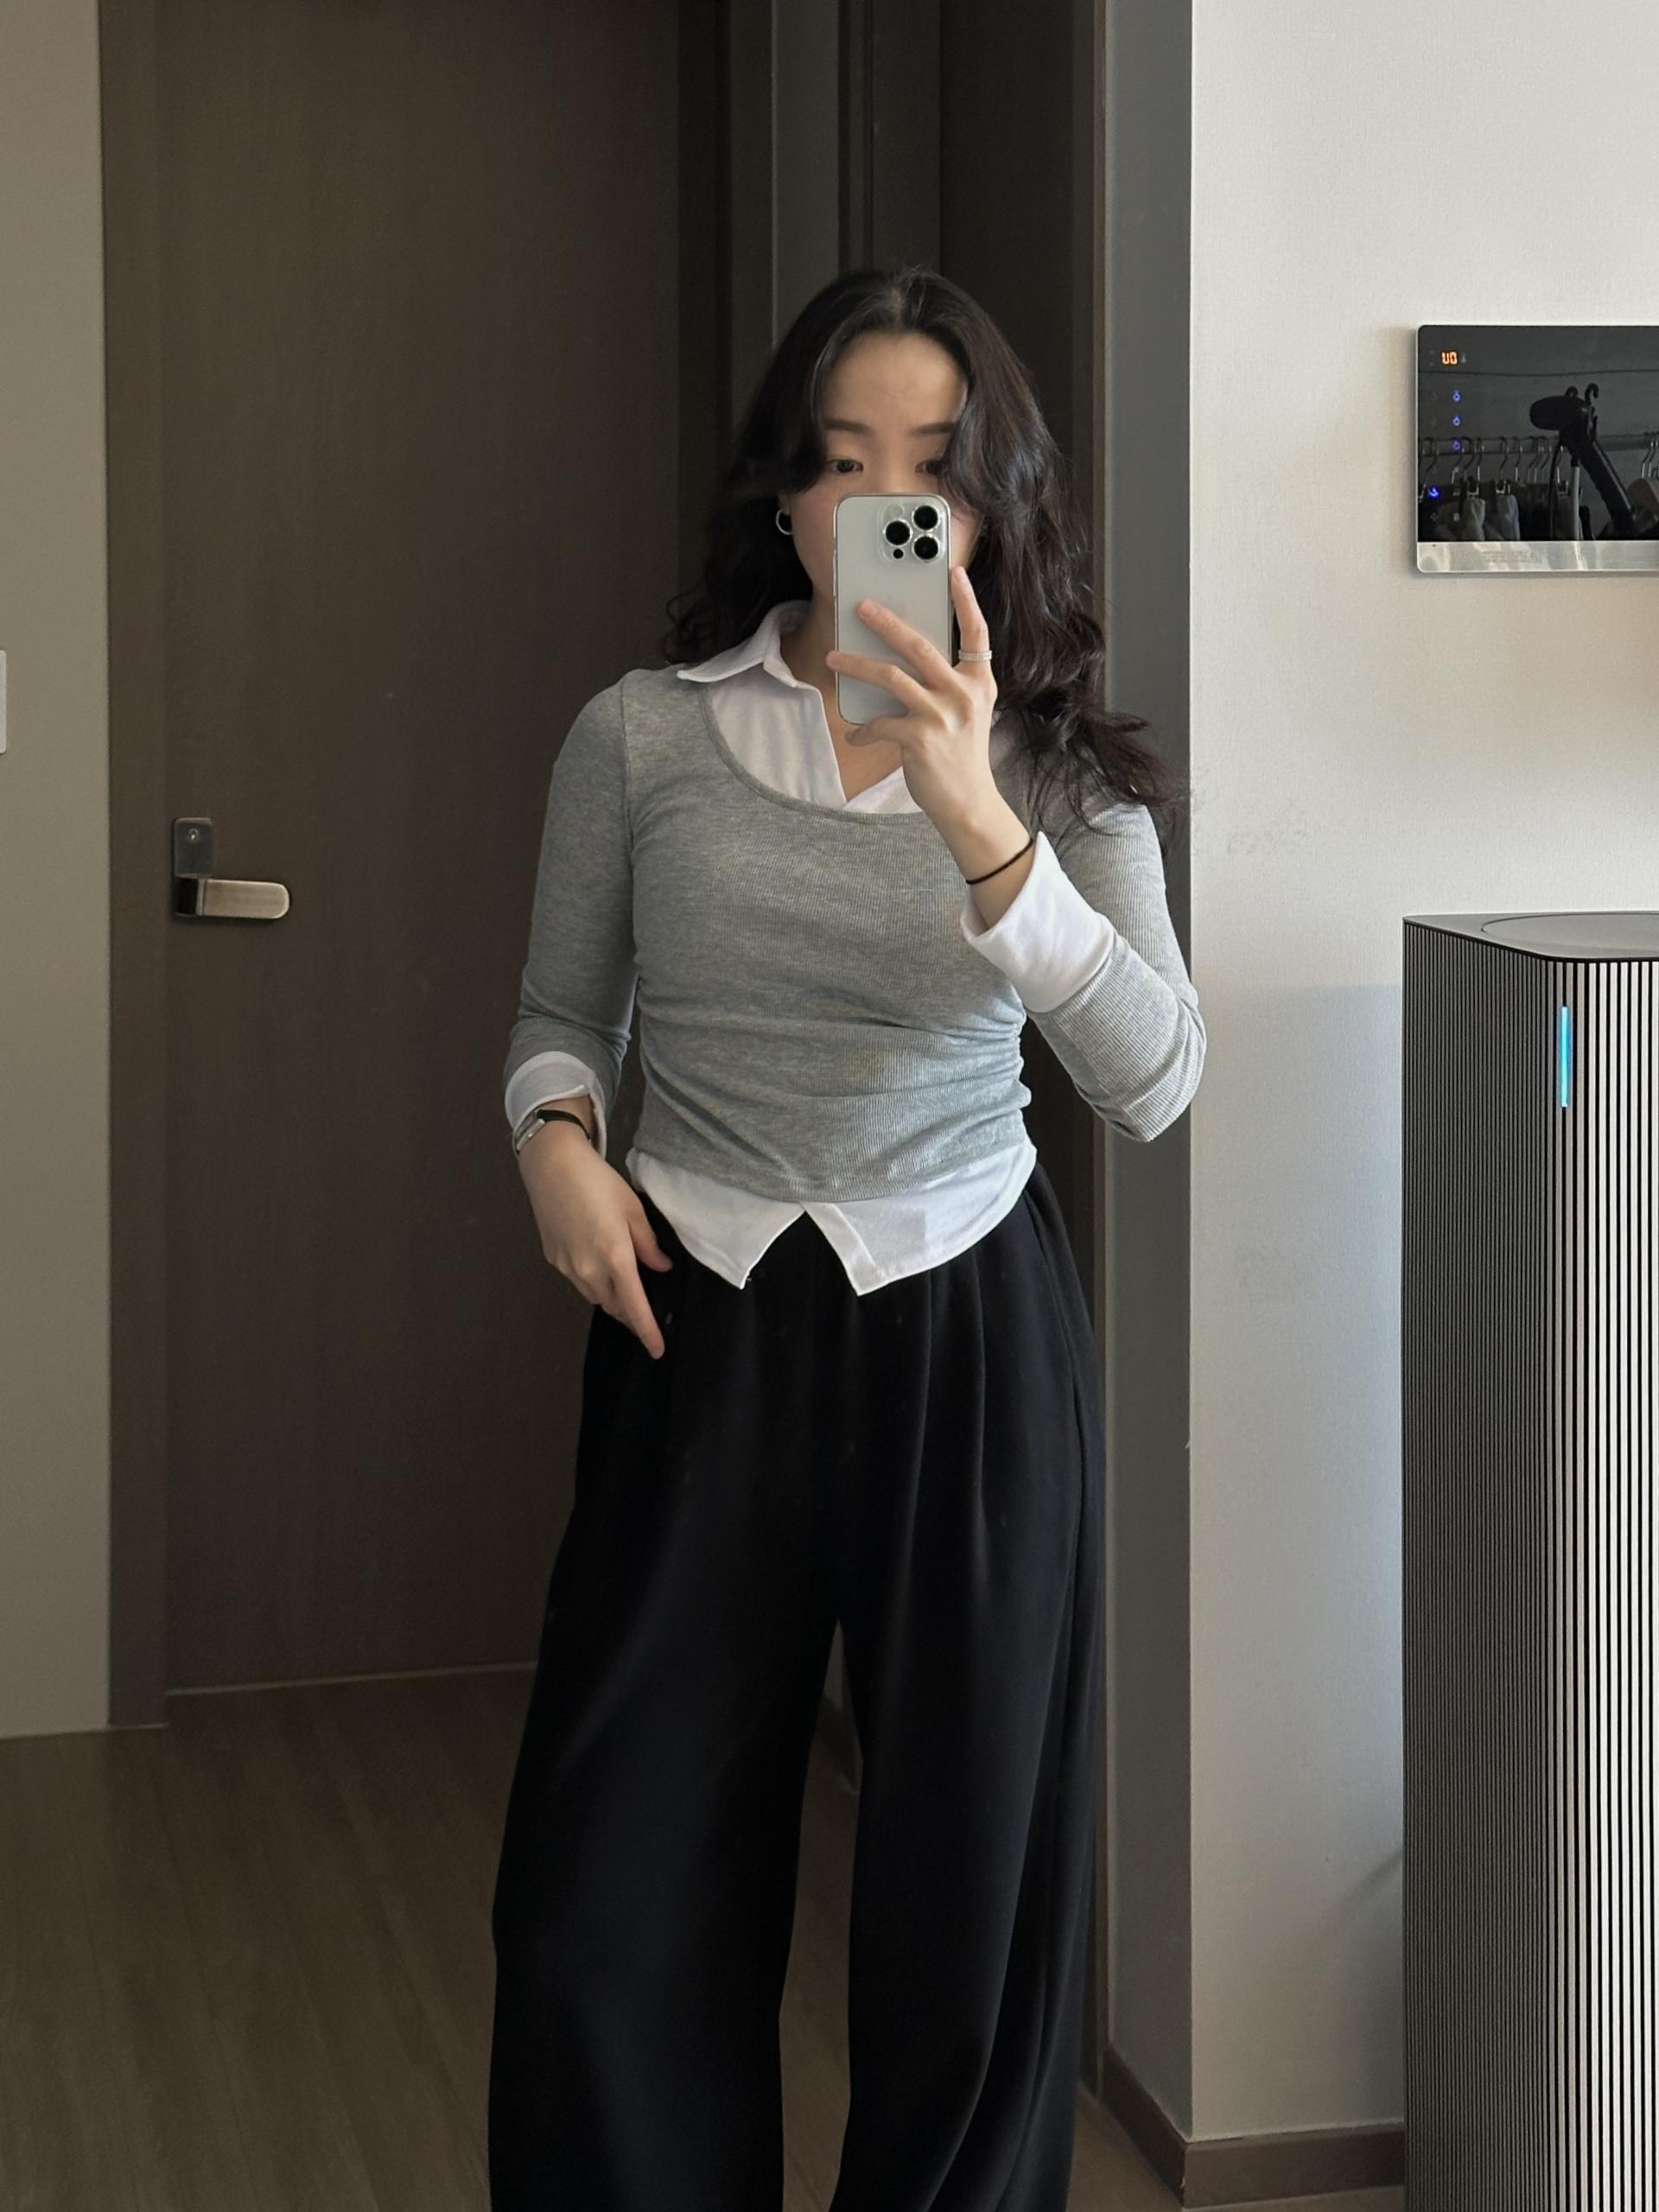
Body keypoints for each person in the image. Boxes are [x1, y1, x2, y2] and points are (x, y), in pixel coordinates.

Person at [486, 263, 1204, 2212]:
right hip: (693, 1322)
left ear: (996, 503)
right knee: (603, 1900)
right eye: (843, 460)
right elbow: (560, 1020)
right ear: (784, 494)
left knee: (973, 1904)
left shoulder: (1057, 767)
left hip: (969, 1330)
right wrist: (554, 1144)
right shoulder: (638, 736)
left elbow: (1156, 1075)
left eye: (937, 471)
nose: (890, 506)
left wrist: (981, 818)